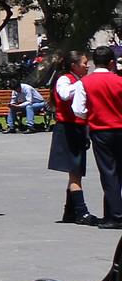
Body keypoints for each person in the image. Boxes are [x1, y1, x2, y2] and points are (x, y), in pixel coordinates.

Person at [49, 51, 95, 225]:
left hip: (77, 128)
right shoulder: (65, 79)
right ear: (74, 65)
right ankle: (81, 212)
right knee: (75, 172)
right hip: (68, 128)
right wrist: (83, 83)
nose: (87, 65)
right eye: (84, 63)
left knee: (75, 172)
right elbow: (64, 94)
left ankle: (70, 212)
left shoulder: (76, 79)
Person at [83, 45, 122, 229]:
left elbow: (78, 109)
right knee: (118, 173)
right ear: (111, 62)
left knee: (108, 172)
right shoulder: (119, 81)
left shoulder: (85, 82)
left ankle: (115, 215)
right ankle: (112, 212)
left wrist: (90, 114)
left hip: (100, 130)